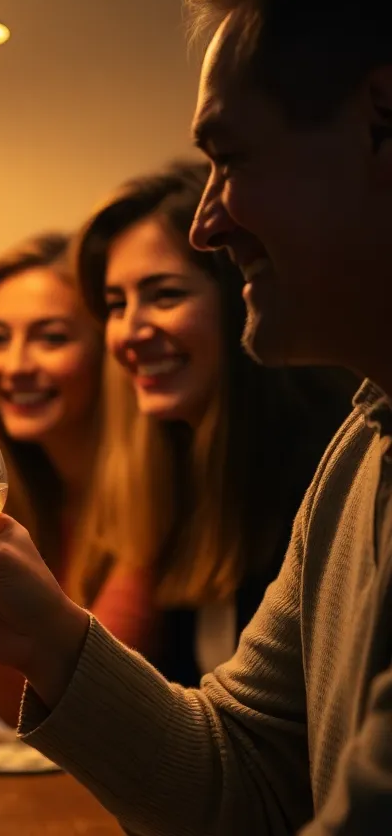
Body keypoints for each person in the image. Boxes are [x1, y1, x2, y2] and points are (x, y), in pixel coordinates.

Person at [0, 0, 392, 831]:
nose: (208, 224)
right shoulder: (362, 451)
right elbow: (245, 774)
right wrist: (49, 639)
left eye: (231, 158)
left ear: (381, 120)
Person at [72, 160, 354, 685]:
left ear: (242, 296)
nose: (129, 331)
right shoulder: (178, 471)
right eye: (115, 304)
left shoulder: (325, 468)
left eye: (165, 295)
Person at [0, 233, 158, 725]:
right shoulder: (25, 501)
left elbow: (87, 707)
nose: (15, 366)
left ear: (108, 353)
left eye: (51, 338)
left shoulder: (152, 498)